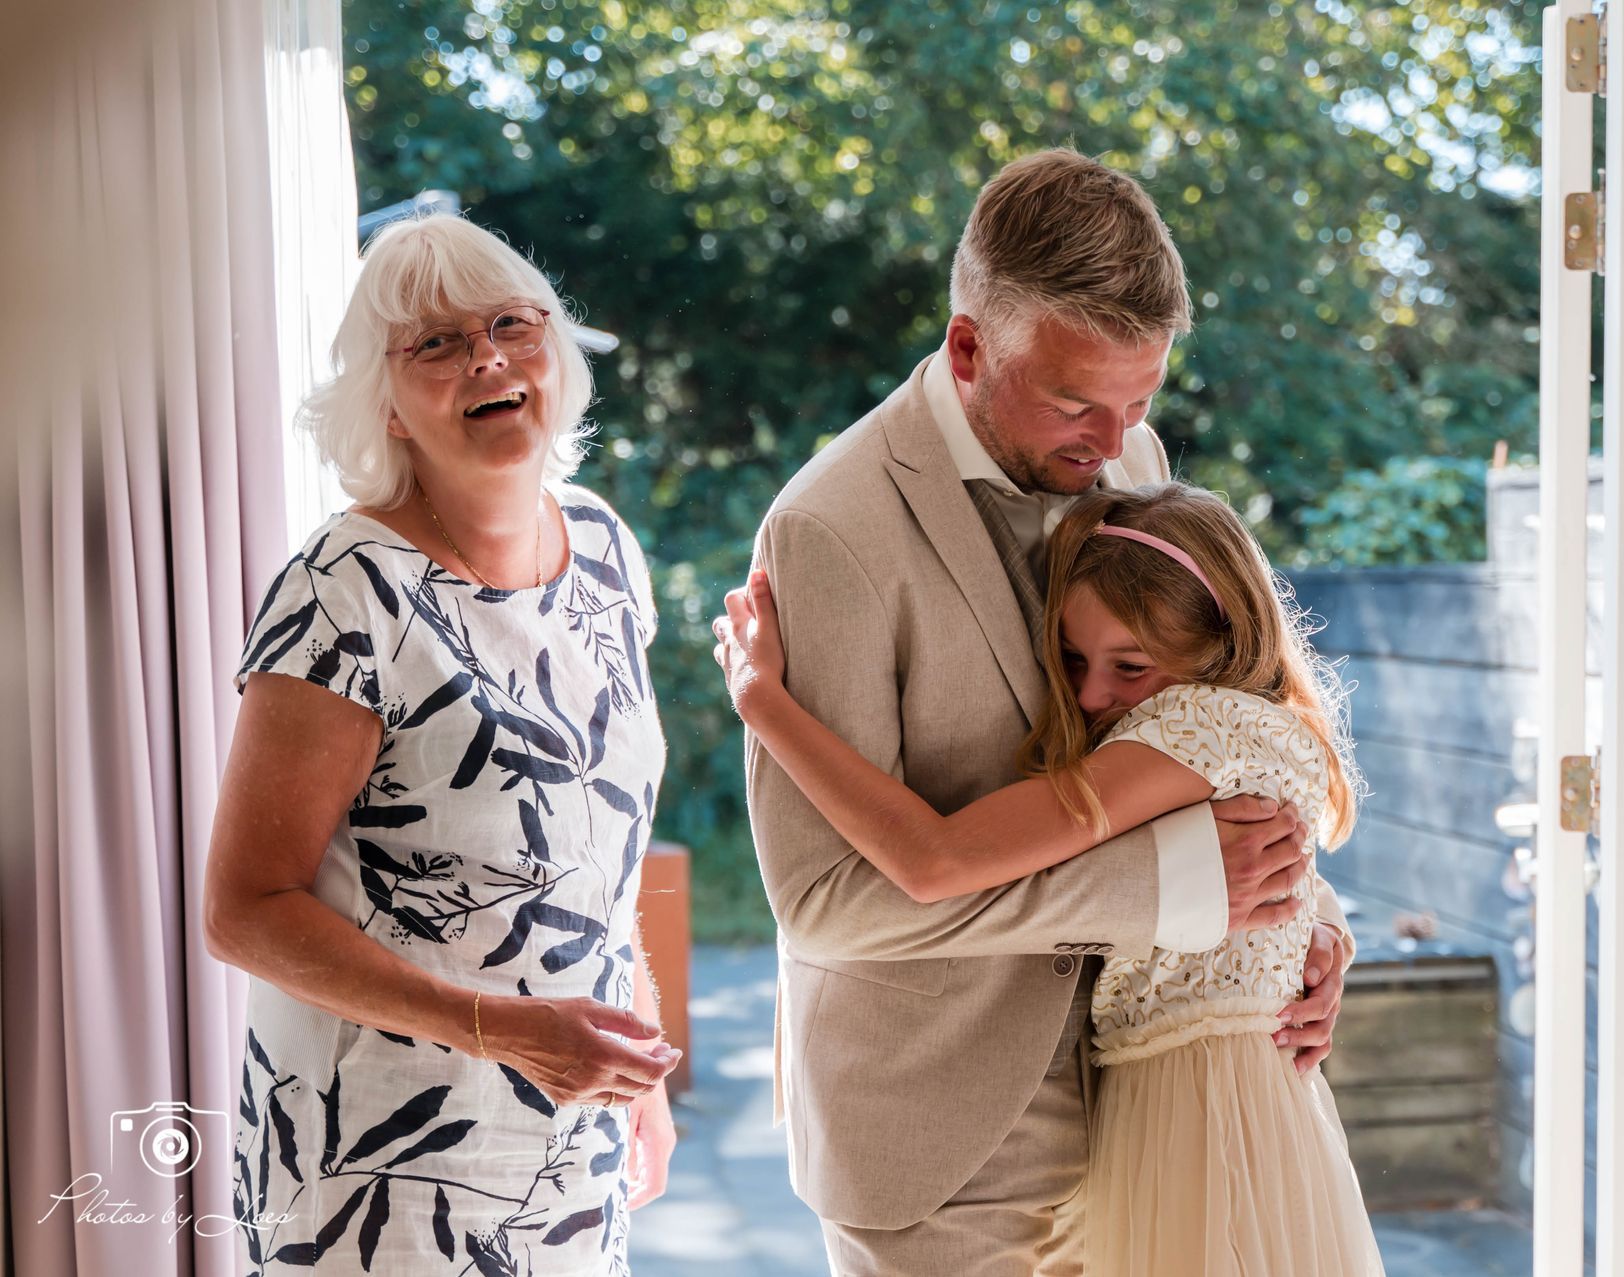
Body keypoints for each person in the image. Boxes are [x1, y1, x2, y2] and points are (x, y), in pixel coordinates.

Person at [731, 148, 1356, 1273]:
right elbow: (826, 904)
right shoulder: (830, 530)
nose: (1116, 442)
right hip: (942, 1142)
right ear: (969, 345)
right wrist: (1167, 893)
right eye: (1077, 401)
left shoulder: (1128, 457)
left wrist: (1300, 921)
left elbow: (1216, 715)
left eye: (1140, 400)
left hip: (1154, 1102)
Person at [718, 481, 1384, 1274]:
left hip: (1200, 1112)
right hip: (1218, 1099)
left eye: (1129, 666)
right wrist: (1313, 928)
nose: (1093, 694)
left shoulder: (1192, 724)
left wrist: (764, 702)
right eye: (1072, 658)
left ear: (1222, 640)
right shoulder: (1249, 717)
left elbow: (937, 860)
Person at [203, 213, 678, 1275]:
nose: (489, 359)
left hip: (570, 1133)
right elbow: (244, 910)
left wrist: (636, 1070)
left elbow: (594, 848)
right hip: (377, 1156)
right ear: (388, 406)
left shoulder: (603, 547)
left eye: (513, 323)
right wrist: (503, 1031)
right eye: (437, 343)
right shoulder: (342, 590)